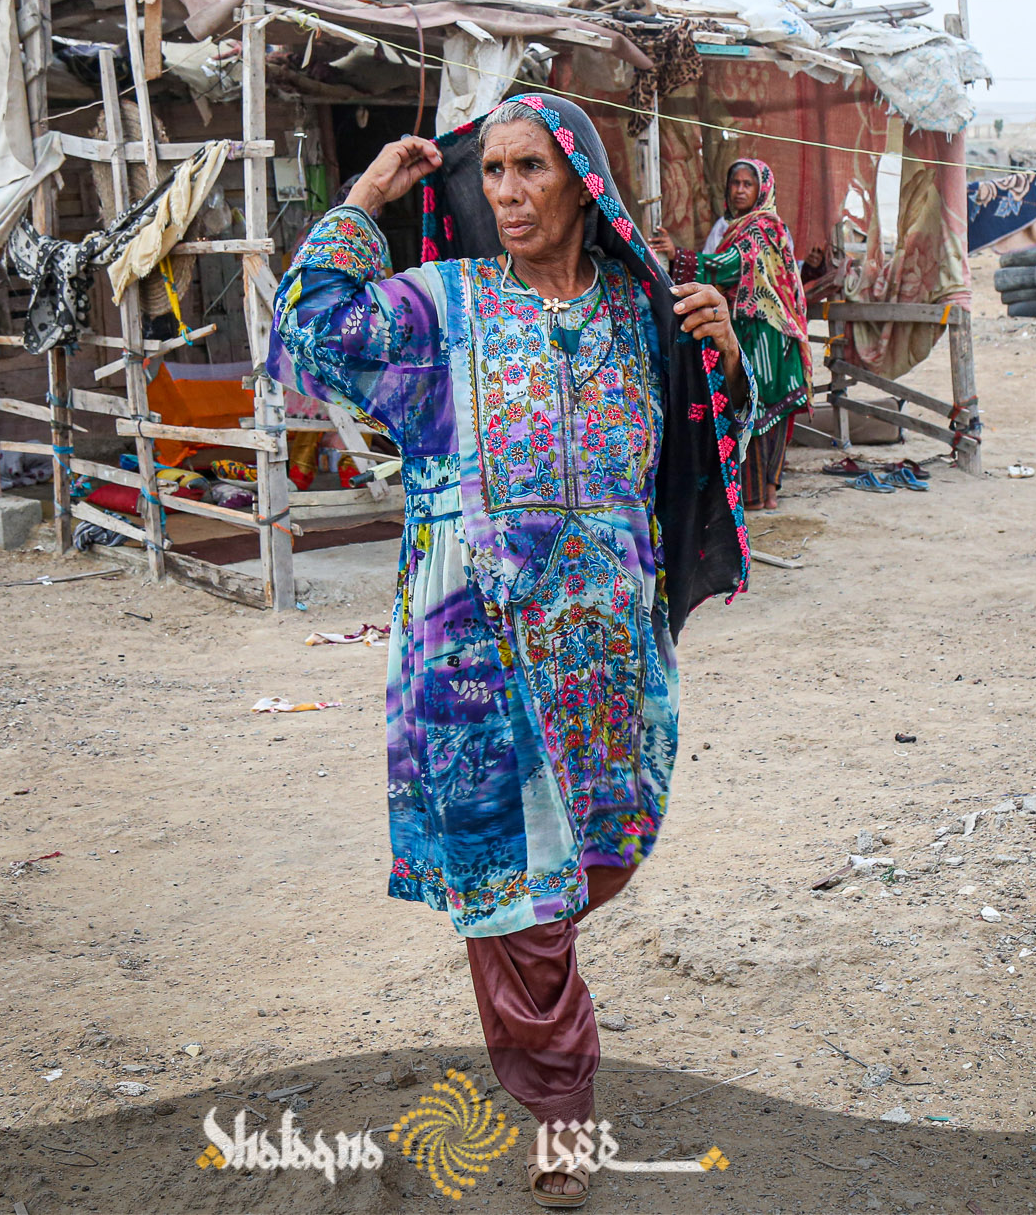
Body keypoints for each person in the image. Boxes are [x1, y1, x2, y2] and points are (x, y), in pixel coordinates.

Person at [270, 93, 753, 1208]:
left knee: (593, 862)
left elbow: (731, 423)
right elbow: (311, 333)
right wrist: (366, 196)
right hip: (474, 657)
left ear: (582, 180)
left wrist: (728, 353)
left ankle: (533, 1005)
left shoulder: (643, 309)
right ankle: (562, 1103)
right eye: (490, 171)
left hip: (608, 655)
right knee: (516, 888)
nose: (506, 192)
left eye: (529, 167)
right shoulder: (443, 304)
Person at [649, 159, 809, 511]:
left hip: (769, 336)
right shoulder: (734, 228)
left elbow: (731, 266)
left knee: (761, 408)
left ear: (762, 190)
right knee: (753, 406)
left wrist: (678, 256)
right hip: (748, 331)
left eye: (747, 184)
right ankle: (761, 494)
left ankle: (763, 493)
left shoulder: (765, 227)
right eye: (735, 183)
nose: (739, 190)